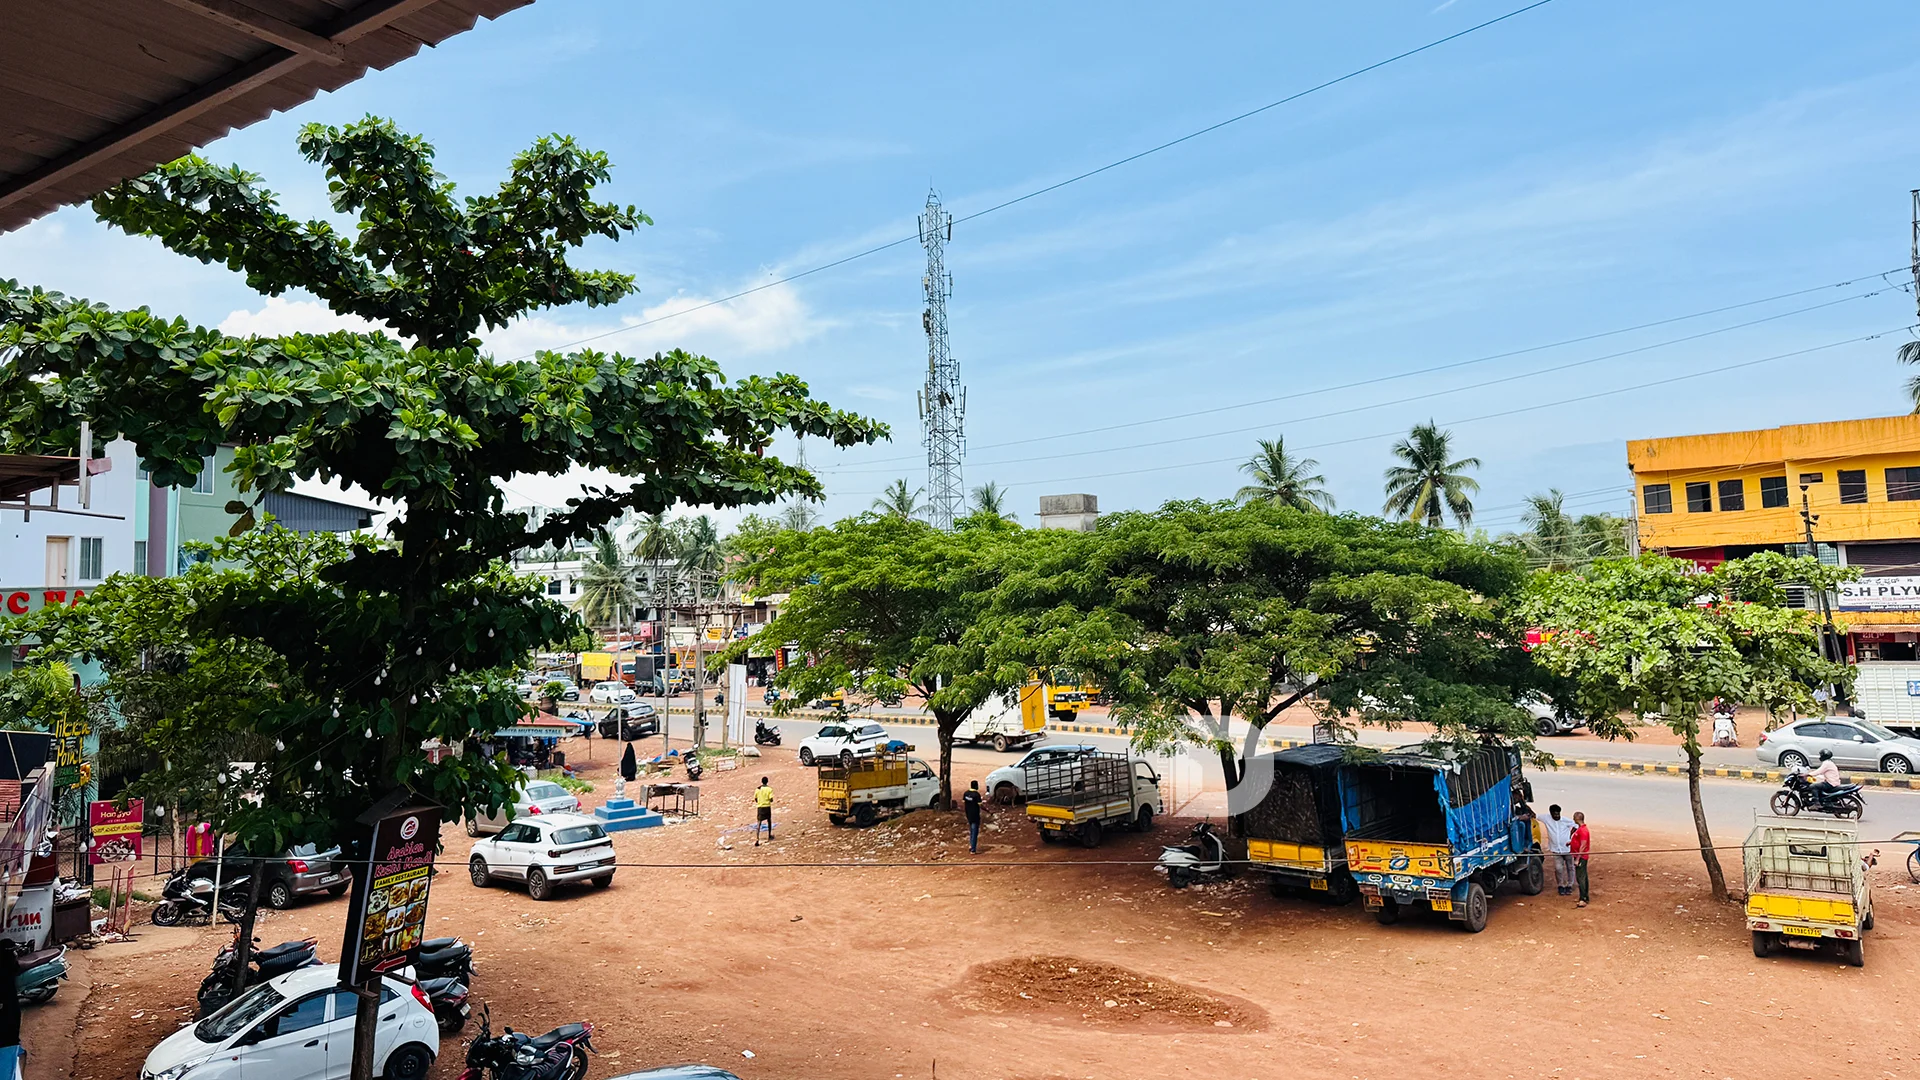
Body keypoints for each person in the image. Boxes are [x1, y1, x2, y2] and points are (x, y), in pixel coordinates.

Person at [1540, 804, 1577, 897]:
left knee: (1570, 867)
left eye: (1558, 814)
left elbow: (1576, 825)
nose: (1556, 816)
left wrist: (1570, 835)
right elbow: (1534, 815)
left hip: (1568, 849)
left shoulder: (1566, 820)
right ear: (1551, 813)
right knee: (1558, 868)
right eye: (1554, 814)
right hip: (1556, 850)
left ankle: (1570, 884)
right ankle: (1561, 885)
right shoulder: (1546, 818)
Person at [1570, 811, 1591, 907]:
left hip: (1581, 857)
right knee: (1583, 876)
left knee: (1580, 877)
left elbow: (1583, 845)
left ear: (1577, 818)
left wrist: (1577, 858)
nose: (1573, 818)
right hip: (1579, 855)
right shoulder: (1580, 829)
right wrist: (1571, 843)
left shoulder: (1583, 831)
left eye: (1574, 817)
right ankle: (1585, 896)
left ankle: (1583, 898)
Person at [962, 780, 983, 854]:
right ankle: (973, 849)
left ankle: (971, 845)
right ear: (976, 786)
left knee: (971, 830)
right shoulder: (976, 795)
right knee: (974, 832)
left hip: (968, 815)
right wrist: (988, 811)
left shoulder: (966, 794)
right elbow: (981, 805)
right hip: (975, 815)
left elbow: (964, 803)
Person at [753, 776, 774, 846]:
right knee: (769, 821)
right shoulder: (769, 789)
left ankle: (757, 838)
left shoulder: (757, 789)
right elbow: (771, 799)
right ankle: (769, 835)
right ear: (767, 781)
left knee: (759, 822)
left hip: (760, 807)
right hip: (767, 806)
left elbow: (755, 799)